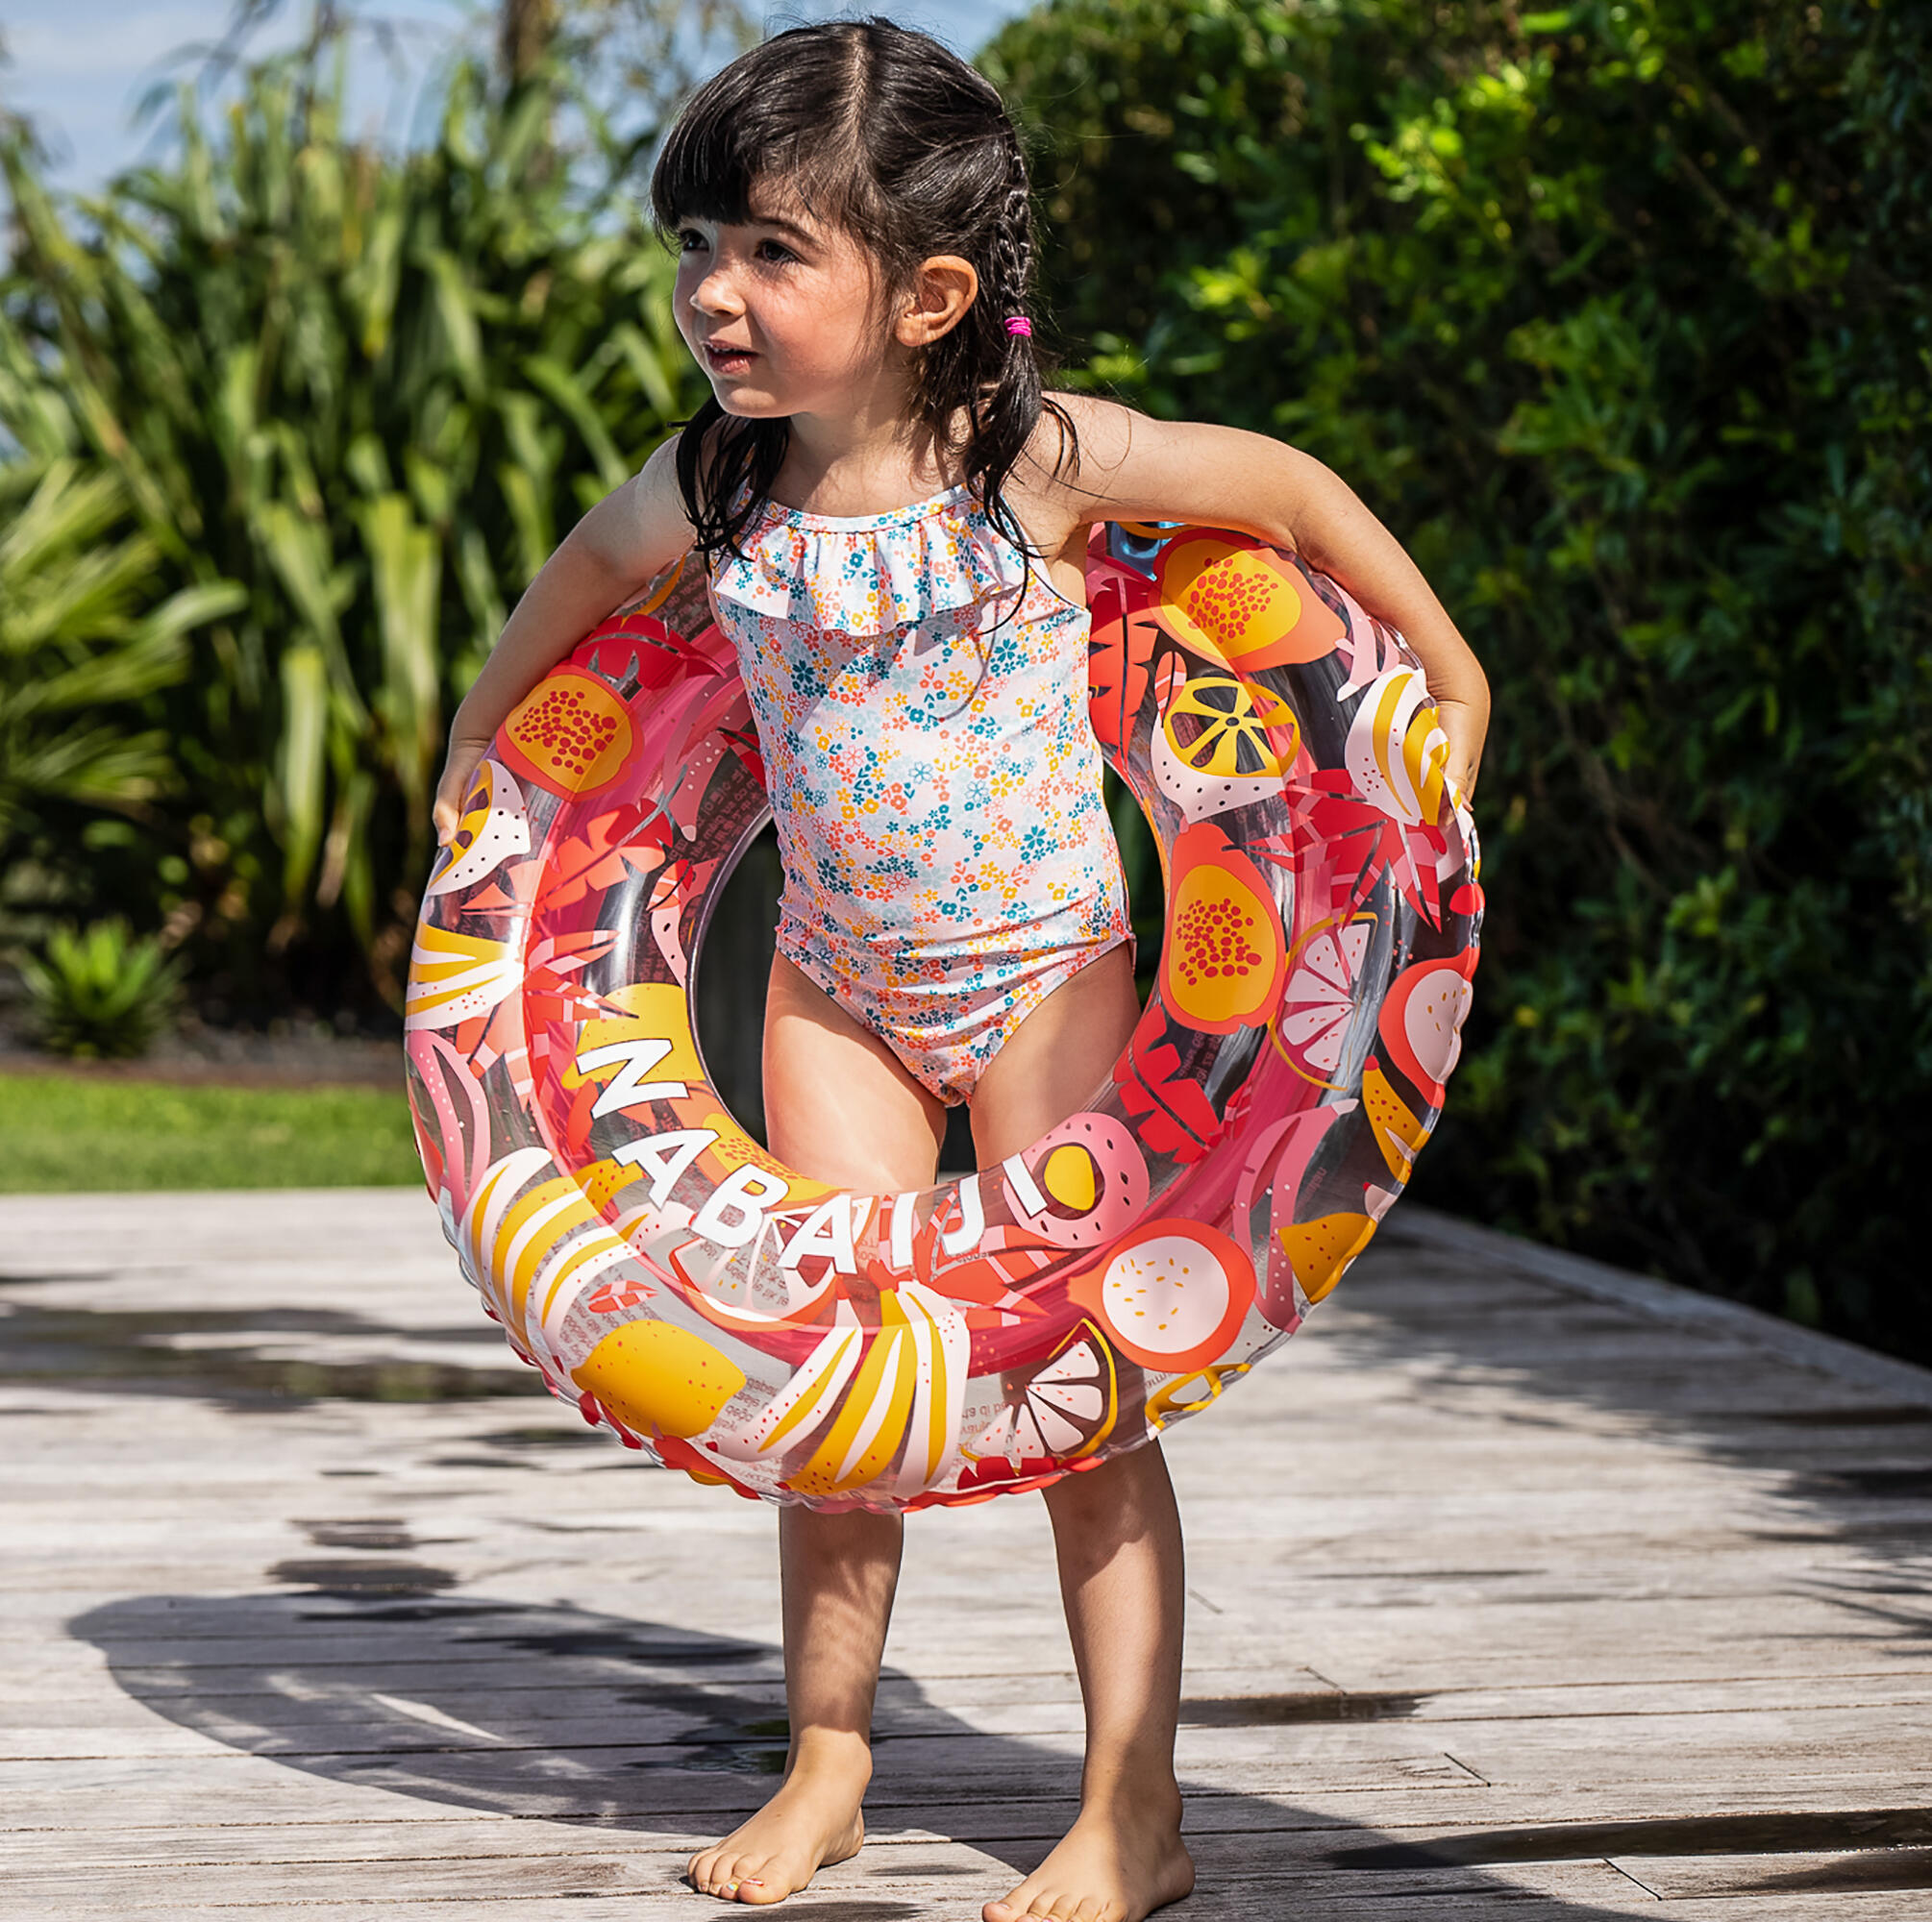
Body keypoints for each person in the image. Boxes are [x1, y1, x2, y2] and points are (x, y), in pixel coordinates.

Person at [430, 18, 1489, 1919]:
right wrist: (480, 752)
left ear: (922, 293)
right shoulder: (718, 487)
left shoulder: (1040, 464)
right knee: (834, 1382)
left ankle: (1129, 1802)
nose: (710, 294)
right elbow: (584, 572)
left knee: (1088, 1389)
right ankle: (830, 1756)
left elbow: (1292, 493)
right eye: (693, 248)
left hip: (1043, 974)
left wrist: (1452, 671)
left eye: (766, 250)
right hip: (834, 979)